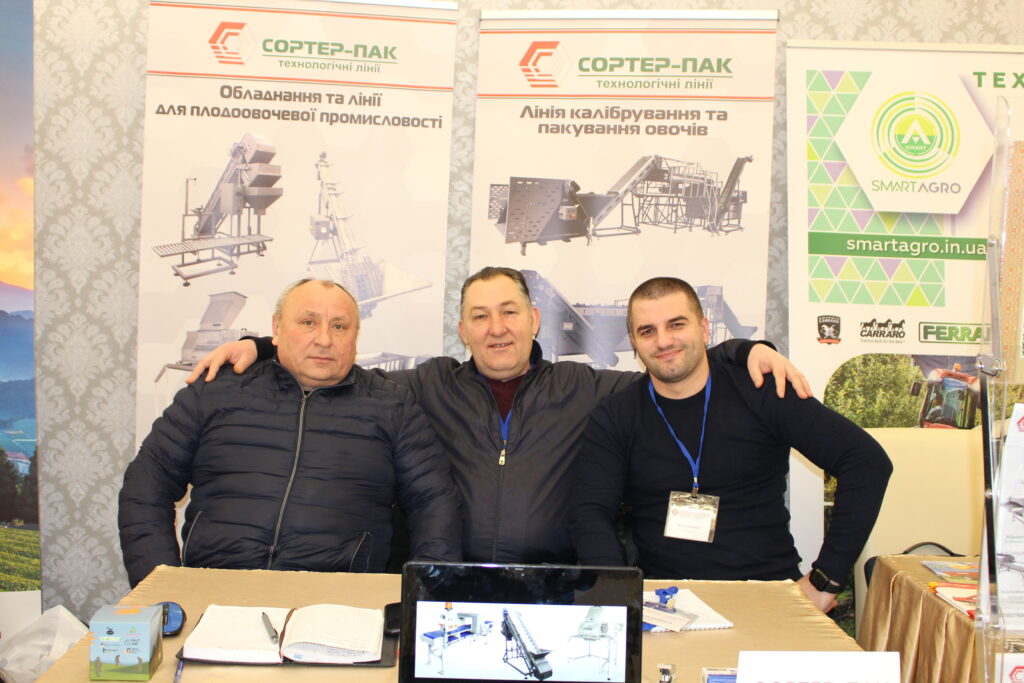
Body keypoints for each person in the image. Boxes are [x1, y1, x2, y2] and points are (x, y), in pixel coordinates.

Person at [187, 267, 811, 564]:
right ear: (462, 330)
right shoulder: (422, 386)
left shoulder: (588, 387)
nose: (497, 328)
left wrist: (739, 350)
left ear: (533, 320)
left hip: (556, 587)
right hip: (449, 587)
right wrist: (263, 346)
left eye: (510, 312)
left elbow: (671, 365)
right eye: (480, 316)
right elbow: (330, 365)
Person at [570, 277, 892, 612]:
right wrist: (616, 598)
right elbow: (590, 511)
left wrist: (825, 580)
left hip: (769, 596)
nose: (663, 341)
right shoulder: (616, 415)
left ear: (704, 328)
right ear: (634, 342)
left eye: (676, 324)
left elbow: (866, 462)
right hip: (664, 603)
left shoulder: (761, 390)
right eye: (647, 331)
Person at [118, 279, 461, 587]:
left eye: (339, 326)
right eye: (308, 322)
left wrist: (426, 597)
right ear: (276, 328)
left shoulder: (391, 405)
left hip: (340, 604)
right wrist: (163, 588)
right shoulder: (215, 391)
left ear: (355, 336)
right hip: (215, 595)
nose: (324, 339)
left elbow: (434, 502)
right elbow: (146, 486)